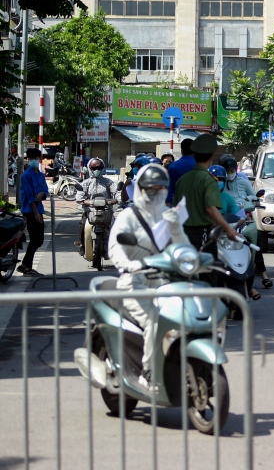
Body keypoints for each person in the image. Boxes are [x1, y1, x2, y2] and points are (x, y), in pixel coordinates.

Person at [108, 163, 188, 390]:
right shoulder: (128, 216)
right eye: (149, 189)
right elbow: (114, 248)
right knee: (156, 321)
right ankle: (148, 373)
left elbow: (183, 249)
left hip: (164, 281)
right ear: (140, 189)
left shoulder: (168, 214)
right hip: (134, 283)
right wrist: (130, 265)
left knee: (189, 316)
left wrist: (177, 230)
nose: (154, 193)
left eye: (159, 188)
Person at [172, 134, 239, 249]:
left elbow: (175, 208)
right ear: (211, 157)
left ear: (194, 155)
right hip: (201, 234)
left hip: (182, 233)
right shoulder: (209, 180)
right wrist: (228, 228)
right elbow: (211, 209)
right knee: (207, 265)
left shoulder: (182, 180)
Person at [220, 154, 272, 291]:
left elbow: (254, 196)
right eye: (228, 171)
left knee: (256, 244)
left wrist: (248, 199)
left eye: (232, 171)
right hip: (227, 221)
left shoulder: (242, 181)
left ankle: (264, 274)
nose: (230, 174)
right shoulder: (219, 187)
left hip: (245, 219)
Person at [74, 157, 117, 268]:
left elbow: (116, 192)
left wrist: (117, 198)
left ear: (102, 169)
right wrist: (82, 200)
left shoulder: (108, 182)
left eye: (99, 168)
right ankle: (82, 243)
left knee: (115, 226)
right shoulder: (86, 183)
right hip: (90, 211)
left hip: (106, 211)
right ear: (89, 169)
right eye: (94, 168)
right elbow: (79, 194)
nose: (96, 170)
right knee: (83, 224)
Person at [17, 148, 48, 276]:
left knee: (39, 239)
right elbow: (30, 197)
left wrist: (42, 194)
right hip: (30, 211)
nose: (34, 160)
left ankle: (26, 265)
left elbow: (45, 190)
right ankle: (25, 265)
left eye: (36, 158)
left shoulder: (40, 175)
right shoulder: (26, 176)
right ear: (28, 159)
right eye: (32, 158)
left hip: (39, 209)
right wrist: (35, 213)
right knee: (36, 239)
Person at [165, 138, 195, 205]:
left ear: (181, 151)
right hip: (197, 206)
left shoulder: (173, 166)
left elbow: (170, 190)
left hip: (178, 205)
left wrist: (168, 204)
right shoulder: (199, 166)